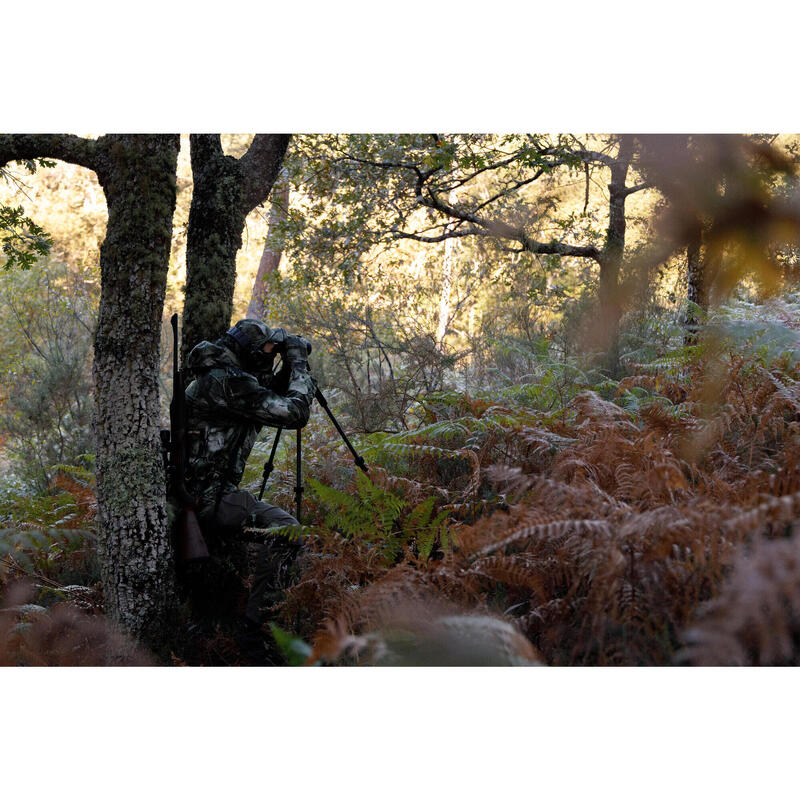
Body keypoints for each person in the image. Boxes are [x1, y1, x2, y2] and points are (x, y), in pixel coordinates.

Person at [183, 318, 315, 664]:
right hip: (208, 498)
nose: (270, 359)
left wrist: (288, 364)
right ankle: (254, 634)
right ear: (250, 353)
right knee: (288, 530)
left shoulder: (221, 377)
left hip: (205, 491)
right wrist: (298, 361)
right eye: (267, 352)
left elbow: (267, 395)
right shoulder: (226, 382)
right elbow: (294, 413)